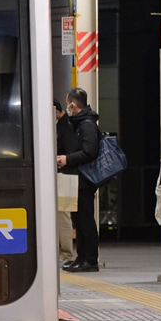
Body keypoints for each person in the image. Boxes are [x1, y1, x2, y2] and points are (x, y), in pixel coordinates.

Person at [57, 88, 100, 273]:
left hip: (85, 180)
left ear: (73, 104)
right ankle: (81, 258)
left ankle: (90, 260)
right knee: (79, 221)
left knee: (86, 221)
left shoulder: (87, 124)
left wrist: (67, 159)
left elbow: (90, 152)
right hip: (77, 179)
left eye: (68, 104)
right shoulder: (77, 123)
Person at [55, 100, 78, 264]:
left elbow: (69, 151)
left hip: (64, 175)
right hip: (64, 175)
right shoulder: (65, 124)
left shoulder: (64, 126)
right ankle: (65, 252)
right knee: (61, 214)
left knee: (63, 214)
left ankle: (67, 254)